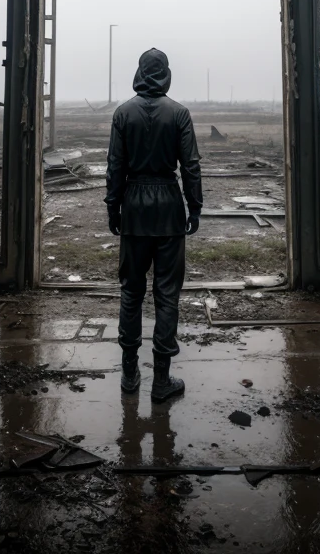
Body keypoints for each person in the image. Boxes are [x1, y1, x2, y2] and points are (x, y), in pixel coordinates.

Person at [105, 48, 203, 402]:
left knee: (131, 293)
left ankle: (129, 374)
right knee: (167, 295)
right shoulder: (179, 113)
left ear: (139, 72)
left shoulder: (122, 113)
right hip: (168, 210)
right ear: (165, 74)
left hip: (133, 208)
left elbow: (115, 166)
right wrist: (195, 206)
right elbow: (190, 165)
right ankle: (161, 380)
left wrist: (113, 208)